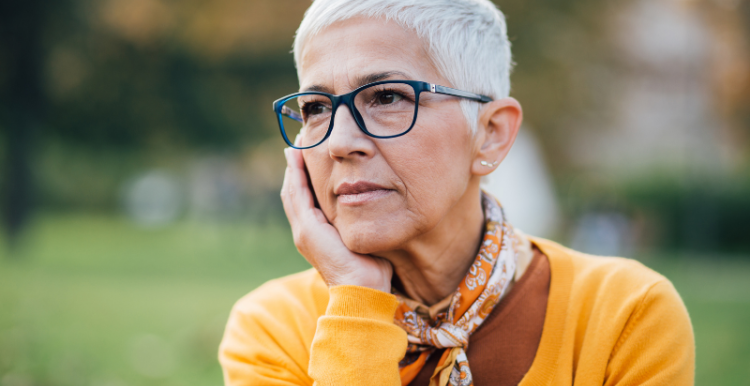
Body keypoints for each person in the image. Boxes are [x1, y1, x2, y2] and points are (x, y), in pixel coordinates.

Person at [218, 0, 695, 385]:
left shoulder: (624, 315)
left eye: (387, 97)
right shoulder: (273, 330)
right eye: (317, 107)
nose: (340, 142)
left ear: (490, 134)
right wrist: (355, 303)